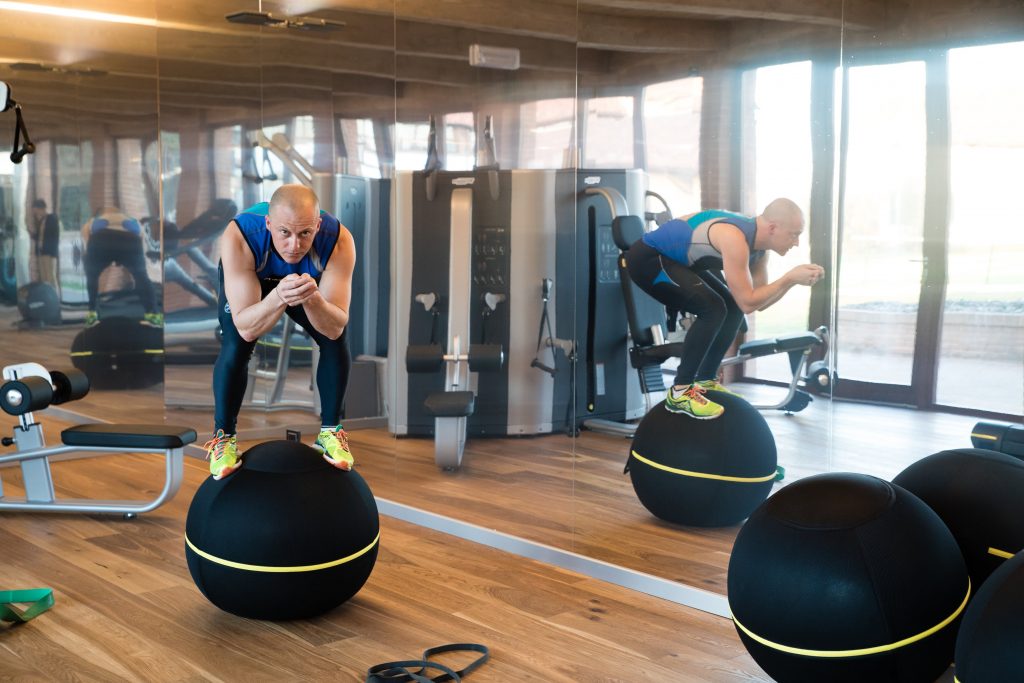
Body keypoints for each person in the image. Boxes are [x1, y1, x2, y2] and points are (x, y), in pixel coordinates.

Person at [204, 184, 356, 479]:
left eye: (305, 234)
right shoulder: (240, 236)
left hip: (306, 286)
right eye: (284, 232)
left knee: (336, 340)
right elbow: (247, 329)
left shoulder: (338, 240)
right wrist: (276, 297)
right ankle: (224, 437)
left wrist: (312, 297)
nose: (294, 246)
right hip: (256, 284)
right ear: (269, 224)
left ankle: (330, 431)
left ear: (318, 226)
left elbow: (335, 326)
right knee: (236, 345)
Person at [625, 198, 824, 419]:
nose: (796, 242)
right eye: (794, 234)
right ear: (773, 228)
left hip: (679, 261)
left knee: (732, 307)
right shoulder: (735, 238)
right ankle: (680, 391)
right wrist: (788, 278)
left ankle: (706, 382)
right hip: (648, 258)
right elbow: (749, 301)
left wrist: (792, 282)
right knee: (714, 308)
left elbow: (755, 303)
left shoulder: (759, 250)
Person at [80, 206, 162, 327]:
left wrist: (93, 262)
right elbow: (142, 245)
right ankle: (153, 315)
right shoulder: (133, 221)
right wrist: (133, 264)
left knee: (92, 276)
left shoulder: (93, 221)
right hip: (131, 240)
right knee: (141, 277)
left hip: (101, 239)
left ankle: (92, 314)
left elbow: (87, 241)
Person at [28, 198, 60, 296]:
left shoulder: (52, 218)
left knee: (51, 277)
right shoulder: (42, 220)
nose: (35, 213)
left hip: (49, 253)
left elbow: (51, 235)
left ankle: (55, 299)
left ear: (41, 208)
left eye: (35, 210)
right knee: (44, 278)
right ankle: (48, 299)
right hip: (41, 253)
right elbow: (39, 236)